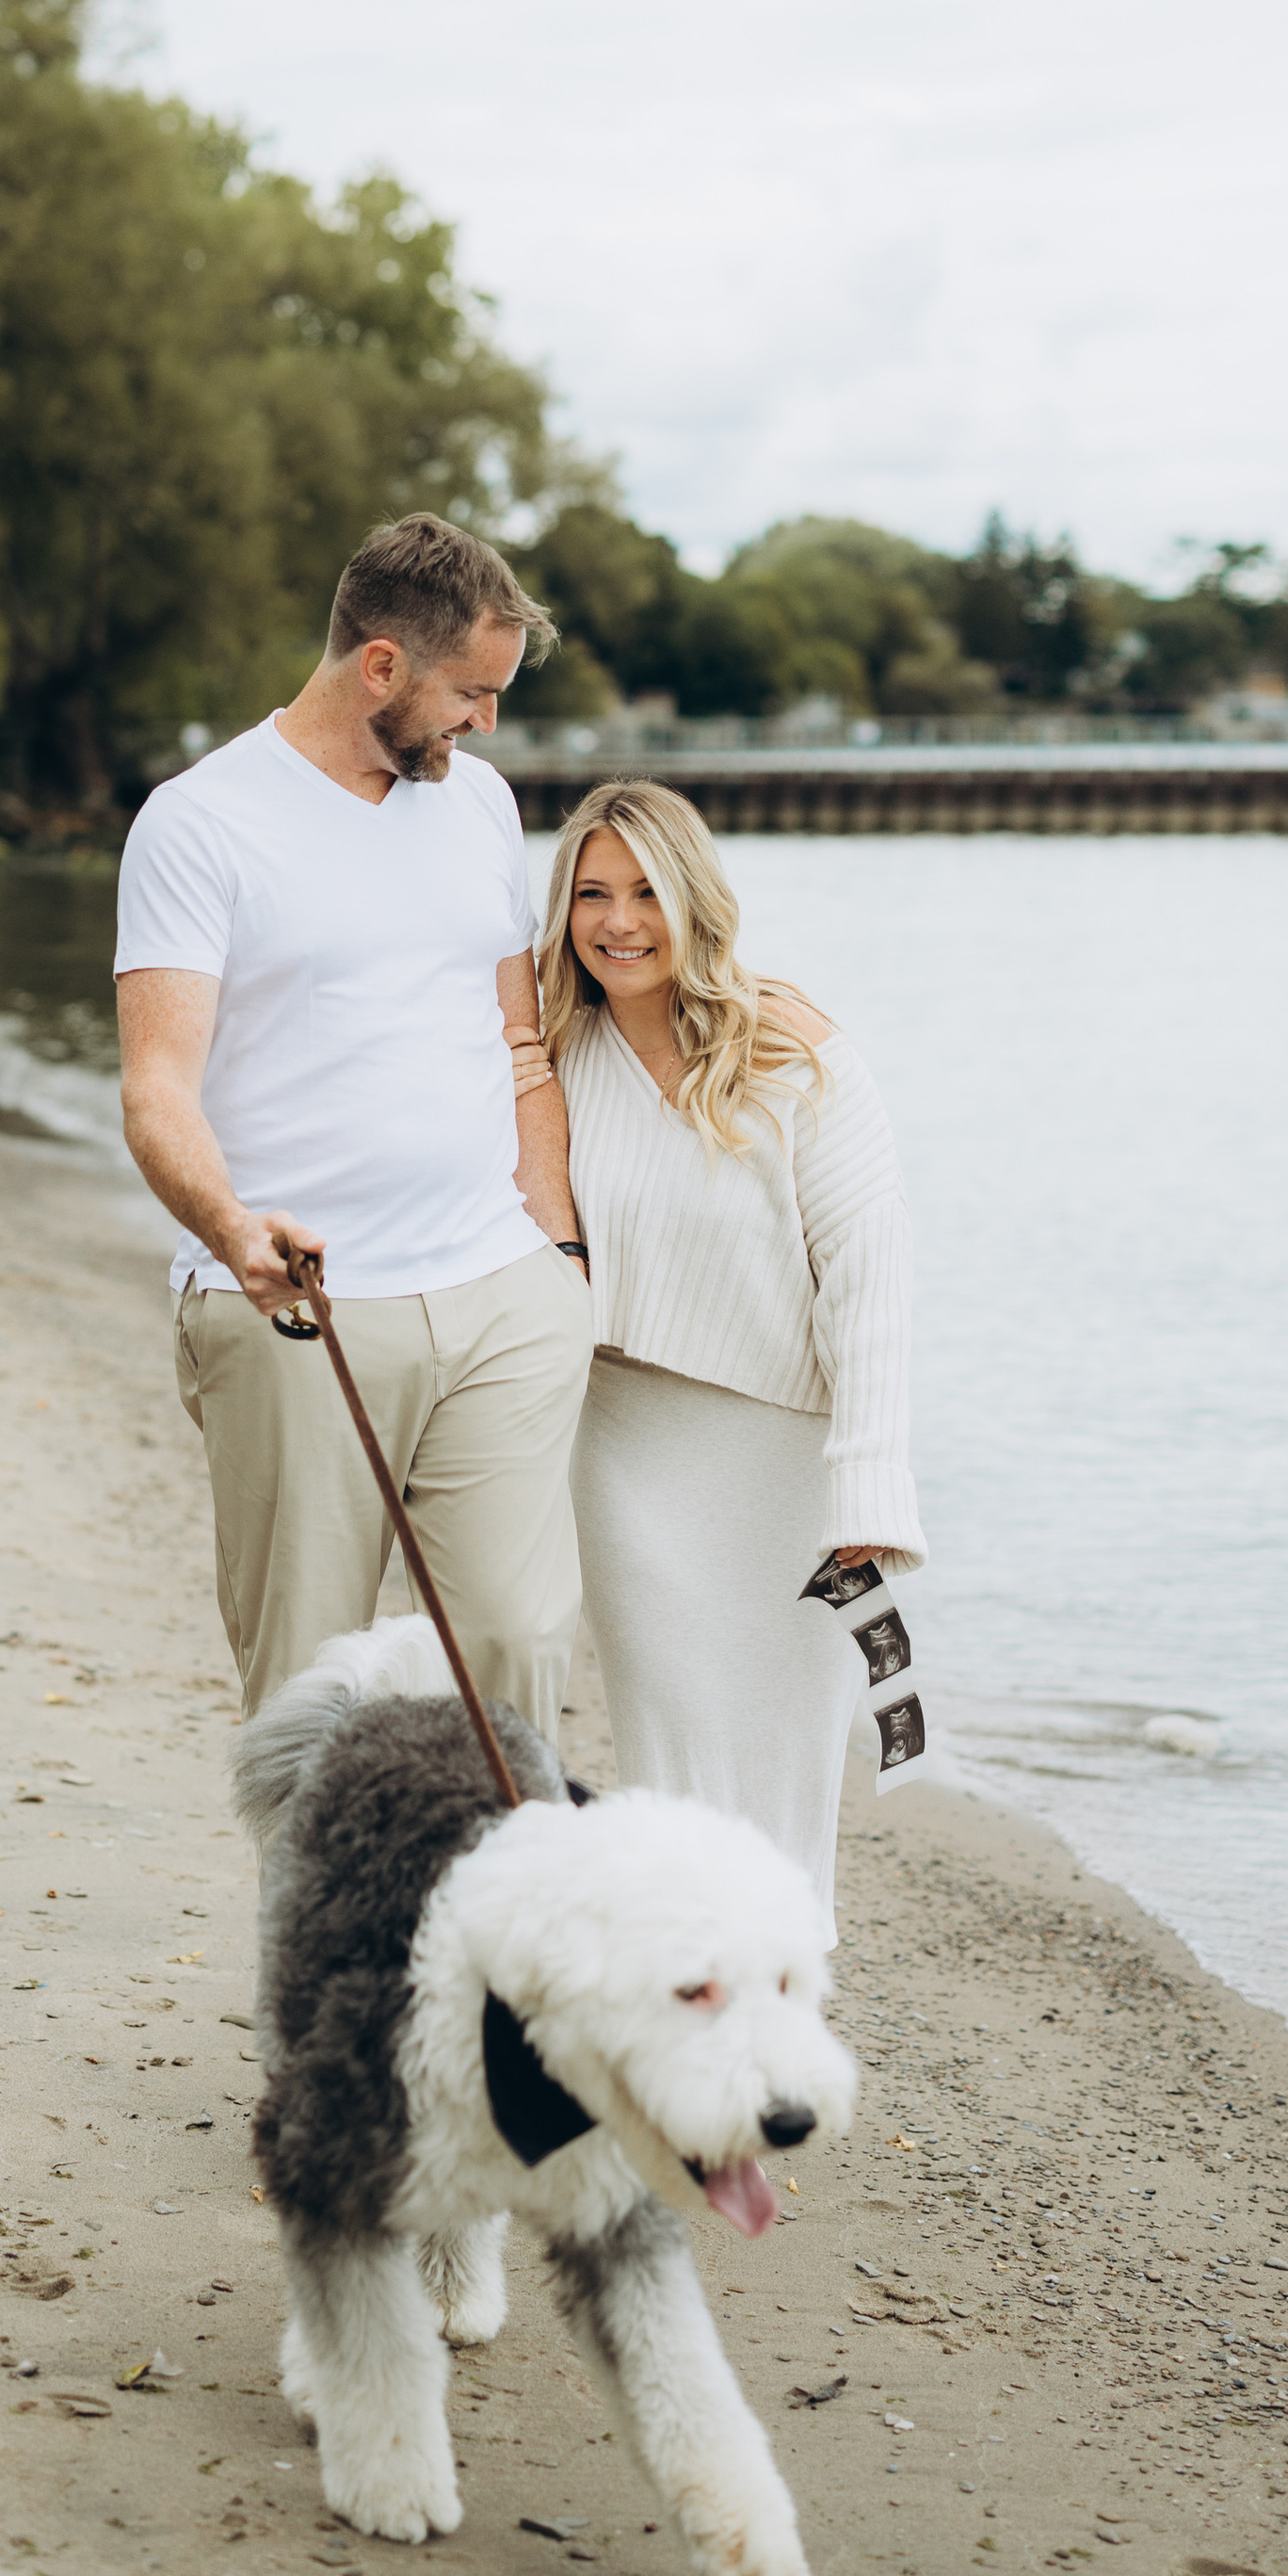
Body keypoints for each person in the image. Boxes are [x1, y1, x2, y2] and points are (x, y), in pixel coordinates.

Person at [114, 512, 593, 1742]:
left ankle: (497, 1927)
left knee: (520, 1649)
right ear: (379, 665)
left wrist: (559, 1253)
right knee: (309, 1690)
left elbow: (520, 1040)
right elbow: (157, 1085)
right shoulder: (198, 822)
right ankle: (324, 1936)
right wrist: (231, 1231)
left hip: (497, 1292)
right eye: (470, 693)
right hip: (301, 1308)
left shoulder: (479, 805)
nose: (485, 723)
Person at [532, 778, 921, 1925]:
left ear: (694, 898)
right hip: (621, 1447)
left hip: (787, 1464)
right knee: (671, 1750)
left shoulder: (795, 1055)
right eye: (591, 894)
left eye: (646, 890)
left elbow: (870, 1277)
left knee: (790, 1764)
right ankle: (671, 2011)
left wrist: (871, 1485)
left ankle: (776, 2027)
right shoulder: (550, 1061)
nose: (618, 921)